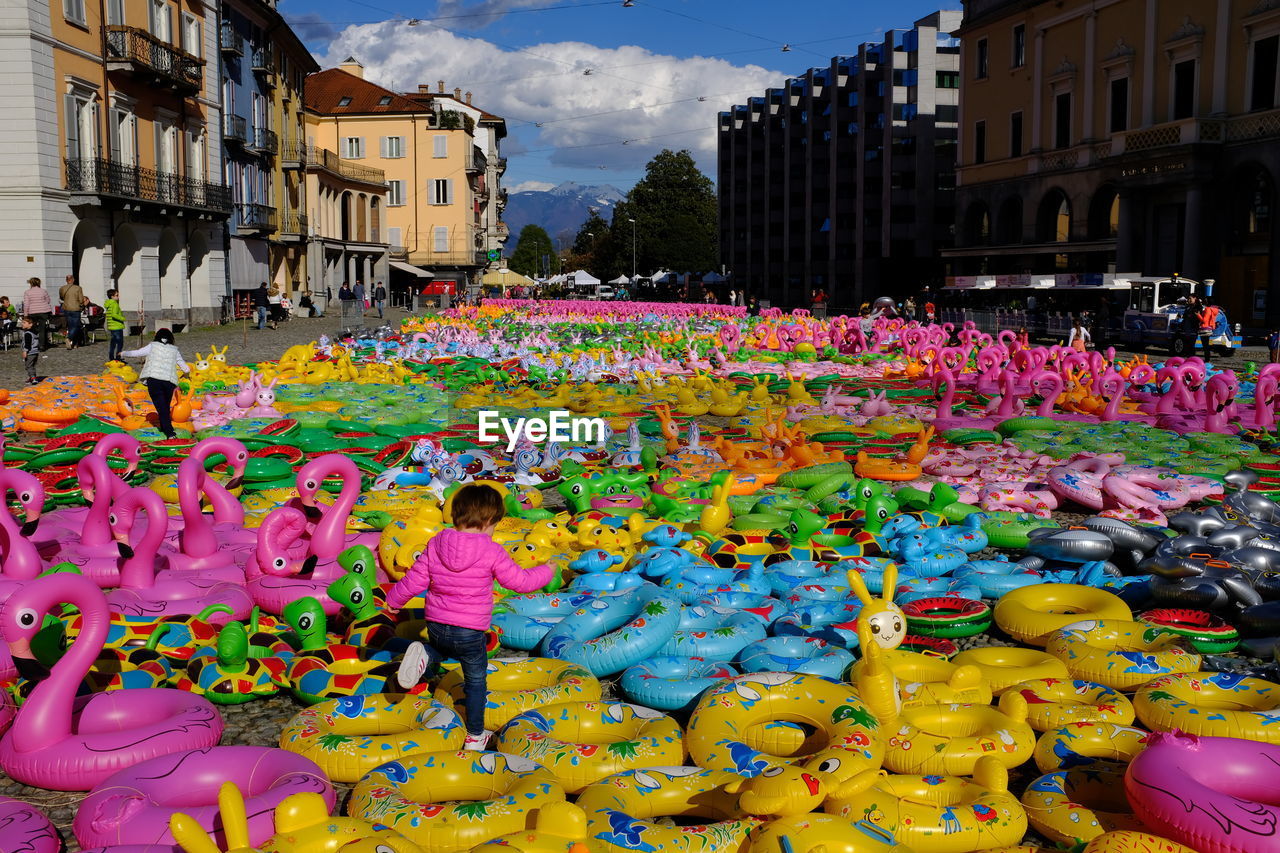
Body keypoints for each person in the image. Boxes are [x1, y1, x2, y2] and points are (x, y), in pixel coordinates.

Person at [386, 484, 553, 749]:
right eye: (495, 523)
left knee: (442, 648)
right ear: (489, 520)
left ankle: (426, 656)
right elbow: (519, 582)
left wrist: (394, 600)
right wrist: (547, 571)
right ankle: (475, 735)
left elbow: (415, 579)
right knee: (475, 682)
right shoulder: (492, 551)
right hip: (469, 630)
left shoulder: (436, 542)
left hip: (437, 624)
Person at [120, 328, 188, 439]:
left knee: (161, 407)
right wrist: (187, 375)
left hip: (154, 381)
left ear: (157, 336)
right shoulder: (175, 350)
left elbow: (137, 353)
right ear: (171, 338)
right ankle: (166, 428)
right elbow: (185, 368)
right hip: (169, 382)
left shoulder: (153, 346)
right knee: (165, 407)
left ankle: (169, 433)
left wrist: (123, 353)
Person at [21, 277, 52, 350]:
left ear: (31, 284)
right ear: (39, 283)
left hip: (32, 312)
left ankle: (32, 343)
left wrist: (25, 315)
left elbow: (26, 304)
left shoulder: (27, 292)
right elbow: (48, 300)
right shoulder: (43, 291)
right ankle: (42, 345)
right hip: (43, 311)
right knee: (42, 329)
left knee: (32, 328)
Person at [58, 274, 84, 349]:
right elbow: (81, 299)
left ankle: (74, 343)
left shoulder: (62, 288)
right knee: (75, 326)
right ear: (73, 280)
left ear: (66, 280)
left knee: (70, 326)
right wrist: (81, 305)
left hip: (66, 308)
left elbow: (61, 297)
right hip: (75, 308)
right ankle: (69, 338)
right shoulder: (78, 288)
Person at [104, 288, 125, 362]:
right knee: (120, 343)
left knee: (113, 343)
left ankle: (111, 357)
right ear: (112, 296)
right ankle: (118, 357)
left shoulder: (109, 304)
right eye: (116, 295)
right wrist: (122, 318)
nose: (118, 297)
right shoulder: (115, 304)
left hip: (112, 326)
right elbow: (114, 315)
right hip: (117, 326)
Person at [20, 316, 38, 385]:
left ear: (30, 324)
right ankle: (32, 377)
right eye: (22, 323)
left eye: (24, 323)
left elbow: (28, 344)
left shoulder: (28, 333)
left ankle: (33, 378)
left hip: (30, 352)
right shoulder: (35, 332)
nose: (22, 324)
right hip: (35, 351)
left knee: (28, 366)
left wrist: (25, 351)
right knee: (32, 365)